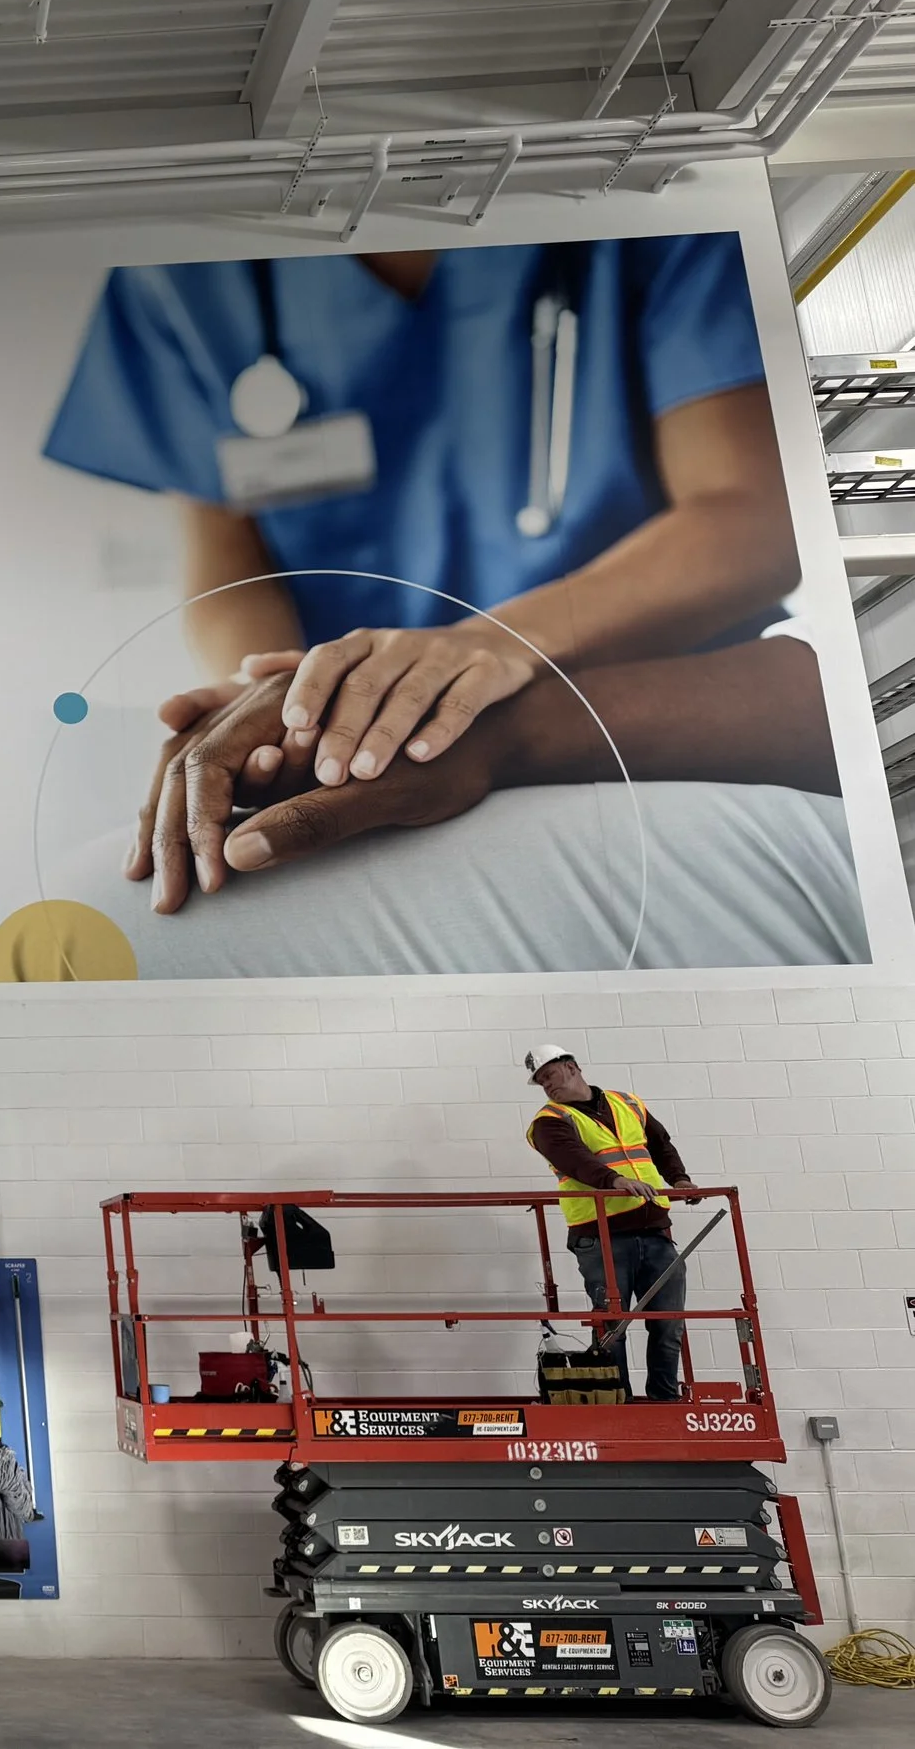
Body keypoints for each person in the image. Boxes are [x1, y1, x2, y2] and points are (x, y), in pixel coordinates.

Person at [45, 236, 800, 914]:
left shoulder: (651, 215)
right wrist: (285, 703)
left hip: (654, 727)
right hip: (361, 754)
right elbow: (231, 564)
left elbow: (754, 518)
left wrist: (489, 649)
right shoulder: (180, 277)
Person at [523, 1043, 700, 1400]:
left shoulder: (628, 1104)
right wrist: (616, 1182)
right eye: (541, 1082)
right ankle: (616, 1402)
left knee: (668, 1323)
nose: (547, 1086)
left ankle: (664, 1400)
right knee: (611, 1325)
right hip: (600, 1236)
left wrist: (679, 1179)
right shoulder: (547, 1123)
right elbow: (576, 1161)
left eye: (550, 1076)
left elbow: (660, 1144)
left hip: (655, 1231)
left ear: (571, 1067)